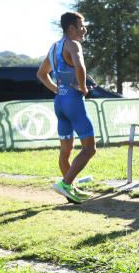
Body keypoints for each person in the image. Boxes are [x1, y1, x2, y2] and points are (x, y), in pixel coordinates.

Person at [37, 11, 97, 204]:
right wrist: (84, 87)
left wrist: (58, 90)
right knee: (89, 149)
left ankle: (69, 190)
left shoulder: (54, 47)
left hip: (60, 102)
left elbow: (41, 74)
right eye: (81, 26)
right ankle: (65, 183)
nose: (84, 30)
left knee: (66, 150)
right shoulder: (73, 44)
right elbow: (80, 67)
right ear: (71, 28)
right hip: (73, 102)